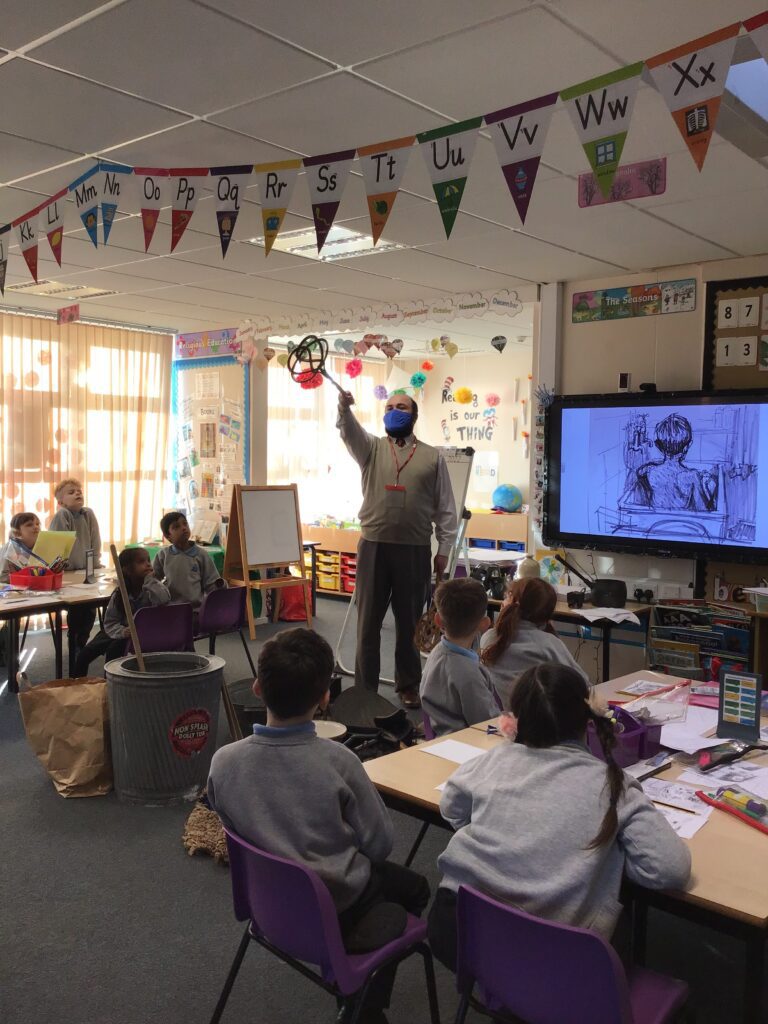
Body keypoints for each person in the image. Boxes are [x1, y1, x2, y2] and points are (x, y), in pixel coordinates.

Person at [208, 628, 430, 1024]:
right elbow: (380, 845)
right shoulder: (340, 762)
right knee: (416, 888)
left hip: (268, 904)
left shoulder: (223, 762)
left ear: (257, 688)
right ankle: (363, 1003)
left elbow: (230, 821)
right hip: (339, 901)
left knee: (398, 885)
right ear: (326, 697)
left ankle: (357, 980)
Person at [427, 663, 691, 971]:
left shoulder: (494, 760)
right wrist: (608, 859)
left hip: (457, 926)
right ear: (586, 722)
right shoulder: (614, 785)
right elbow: (670, 870)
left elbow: (451, 807)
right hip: (551, 960)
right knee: (620, 924)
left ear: (516, 721)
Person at [337, 389, 458, 708]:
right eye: (389, 407)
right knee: (367, 624)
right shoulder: (371, 448)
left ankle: (408, 685)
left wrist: (444, 549)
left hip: (414, 549)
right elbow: (350, 433)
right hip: (373, 547)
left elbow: (446, 507)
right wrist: (344, 409)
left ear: (413, 415)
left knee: (409, 623)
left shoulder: (433, 457)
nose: (394, 411)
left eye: (401, 407)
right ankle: (365, 689)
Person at [480, 577, 589, 704]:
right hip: (543, 713)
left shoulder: (488, 638)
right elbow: (583, 684)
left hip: (505, 713)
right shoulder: (549, 644)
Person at [73, 547, 170, 676]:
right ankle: (76, 683)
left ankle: (111, 683)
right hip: (119, 629)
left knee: (114, 650)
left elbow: (164, 599)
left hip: (144, 633)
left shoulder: (153, 588)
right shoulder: (120, 594)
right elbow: (110, 622)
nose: (148, 564)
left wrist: (150, 582)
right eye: (141, 562)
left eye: (148, 560)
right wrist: (122, 631)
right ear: (127, 570)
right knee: (84, 655)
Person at [419, 577, 499, 736]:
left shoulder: (437, 653)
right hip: (466, 742)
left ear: (438, 620)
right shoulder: (469, 675)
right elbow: (488, 726)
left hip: (440, 735)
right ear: (484, 624)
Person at [50, 478, 103, 661]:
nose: (77, 493)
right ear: (61, 501)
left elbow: (95, 542)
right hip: (67, 573)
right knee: (78, 608)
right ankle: (75, 641)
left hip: (86, 571)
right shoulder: (62, 514)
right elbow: (58, 546)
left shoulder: (88, 513)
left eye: (79, 491)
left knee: (90, 607)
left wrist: (95, 565)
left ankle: (81, 640)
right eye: (71, 492)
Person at [622, 412, 717, 512]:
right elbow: (702, 510)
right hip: (680, 521)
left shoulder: (650, 472)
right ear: (687, 447)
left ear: (658, 446)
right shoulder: (692, 476)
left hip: (655, 519)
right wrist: (707, 490)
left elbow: (640, 495)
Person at [152, 511, 224, 617]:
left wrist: (220, 586)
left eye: (185, 524)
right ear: (168, 536)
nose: (183, 528)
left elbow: (212, 584)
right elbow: (153, 579)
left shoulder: (201, 554)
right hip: (171, 610)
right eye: (176, 527)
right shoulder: (163, 555)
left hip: (195, 611)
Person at [0, 512, 42, 582]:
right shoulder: (10, 549)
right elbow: (2, 577)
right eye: (29, 525)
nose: (36, 527)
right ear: (17, 533)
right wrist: (23, 578)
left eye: (37, 524)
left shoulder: (40, 547)